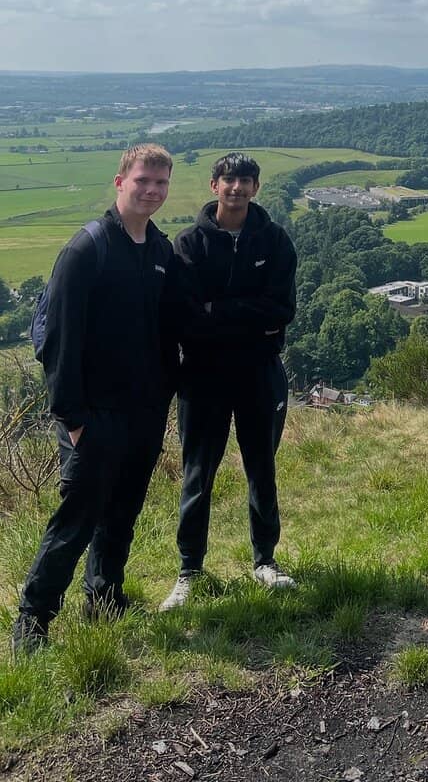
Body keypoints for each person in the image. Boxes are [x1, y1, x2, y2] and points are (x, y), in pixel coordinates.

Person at [14, 144, 179, 655]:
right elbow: (59, 340)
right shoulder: (87, 249)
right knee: (76, 522)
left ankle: (104, 599)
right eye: (142, 180)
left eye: (160, 182)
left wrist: (165, 396)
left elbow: (164, 331)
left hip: (144, 411)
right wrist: (73, 418)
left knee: (122, 514)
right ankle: (33, 622)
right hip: (93, 414)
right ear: (120, 182)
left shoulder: (160, 250)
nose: (151, 190)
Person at [160, 153, 297, 609]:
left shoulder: (275, 241)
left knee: (262, 468)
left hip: (260, 372)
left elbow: (282, 310)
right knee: (198, 473)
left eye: (245, 180)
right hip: (203, 375)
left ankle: (265, 561)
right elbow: (185, 317)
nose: (236, 188)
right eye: (229, 179)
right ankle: (189, 570)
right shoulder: (189, 243)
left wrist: (218, 311)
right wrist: (247, 317)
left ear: (256, 187)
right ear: (214, 185)